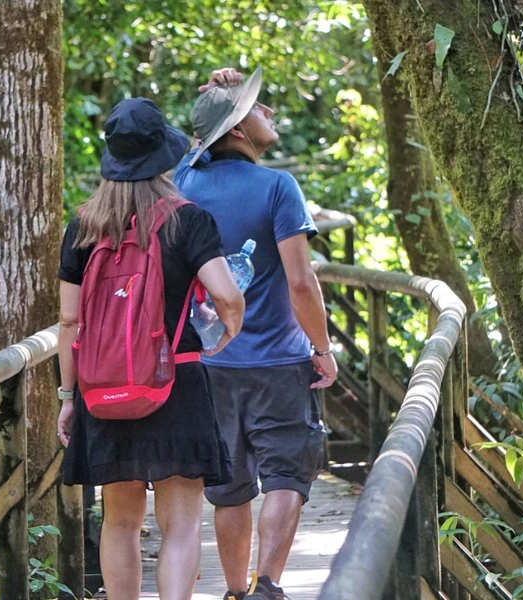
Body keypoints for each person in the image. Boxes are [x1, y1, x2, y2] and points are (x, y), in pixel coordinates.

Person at [55, 97, 245, 600]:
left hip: (104, 389)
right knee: (179, 525)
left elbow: (70, 321)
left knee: (119, 520)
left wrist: (68, 397)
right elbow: (227, 296)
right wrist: (226, 332)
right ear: (164, 154)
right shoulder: (188, 220)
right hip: (175, 381)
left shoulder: (83, 226)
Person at [174, 67, 338, 600]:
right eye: (259, 107)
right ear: (240, 130)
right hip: (279, 363)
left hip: (208, 366)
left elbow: (194, 147)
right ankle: (267, 584)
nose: (270, 113)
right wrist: (322, 348)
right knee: (287, 477)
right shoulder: (277, 187)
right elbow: (301, 281)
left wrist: (222, 98)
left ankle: (237, 592)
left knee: (229, 487)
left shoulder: (183, 183)